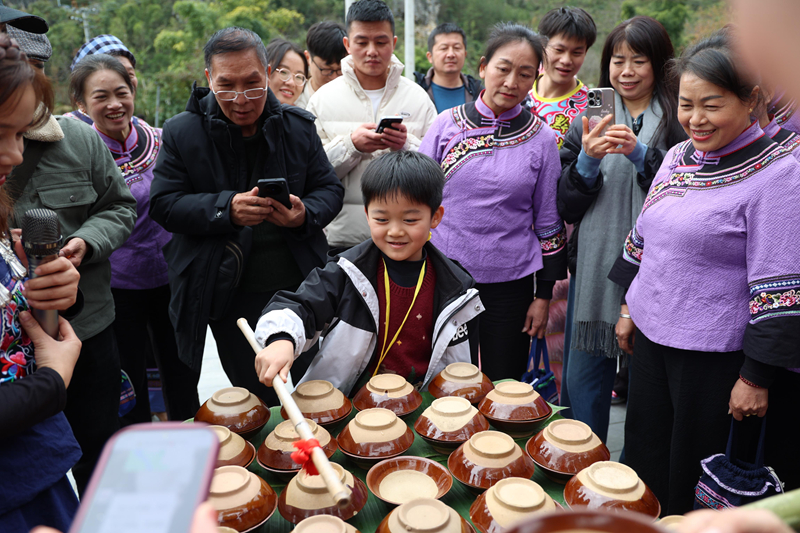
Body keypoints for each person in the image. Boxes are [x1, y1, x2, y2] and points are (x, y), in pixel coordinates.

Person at [608, 30, 800, 515]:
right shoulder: (677, 157)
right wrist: (629, 308)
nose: (694, 119)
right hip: (652, 342)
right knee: (646, 458)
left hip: (714, 359)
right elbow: (645, 237)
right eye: (687, 104)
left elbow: (781, 284)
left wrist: (755, 378)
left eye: (711, 106)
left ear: (750, 98)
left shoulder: (779, 173)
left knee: (693, 476)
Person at [149, 27, 344, 406]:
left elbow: (330, 190)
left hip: (299, 287)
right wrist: (226, 209)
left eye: (253, 84)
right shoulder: (182, 132)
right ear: (209, 79)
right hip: (229, 291)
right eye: (227, 86)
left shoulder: (296, 127)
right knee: (260, 395)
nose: (241, 99)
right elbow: (165, 204)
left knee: (314, 391)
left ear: (267, 73)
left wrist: (304, 215)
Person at [8, 28, 137, 496]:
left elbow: (120, 207)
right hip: (13, 349)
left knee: (97, 444)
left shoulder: (80, 140)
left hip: (86, 326)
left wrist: (86, 241)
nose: (13, 152)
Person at [253, 150, 482, 394]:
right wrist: (281, 339)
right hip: (349, 405)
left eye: (410, 220)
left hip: (425, 407)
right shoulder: (345, 273)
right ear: (367, 215)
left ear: (435, 217)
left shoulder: (458, 287)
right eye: (382, 219)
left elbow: (463, 362)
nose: (395, 231)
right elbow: (300, 306)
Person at [556, 16, 685, 443]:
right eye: (617, 60)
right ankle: (582, 469)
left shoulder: (679, 117)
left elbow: (683, 193)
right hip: (593, 267)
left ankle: (635, 480)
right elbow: (567, 205)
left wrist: (641, 154)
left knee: (648, 389)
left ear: (660, 65)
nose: (626, 71)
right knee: (583, 379)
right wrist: (588, 161)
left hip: (656, 269)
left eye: (638, 61)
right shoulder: (590, 114)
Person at [419, 23, 567, 381]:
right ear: (484, 67)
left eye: (525, 74)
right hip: (446, 277)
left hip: (511, 285)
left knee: (504, 384)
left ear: (535, 79)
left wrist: (543, 295)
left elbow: (549, 221)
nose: (511, 81)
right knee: (448, 382)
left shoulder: (543, 140)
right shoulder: (445, 125)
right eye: (503, 68)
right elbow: (418, 203)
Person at [69, 53, 201, 424]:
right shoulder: (79, 153)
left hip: (171, 276)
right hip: (117, 285)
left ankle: (194, 448)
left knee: (183, 372)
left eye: (121, 92)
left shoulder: (162, 141)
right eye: (100, 97)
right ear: (80, 103)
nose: (114, 104)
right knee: (128, 382)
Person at [0, 32, 84, 533]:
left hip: (34, 463)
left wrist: (43, 293)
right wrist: (51, 381)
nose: (13, 155)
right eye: (1, 132)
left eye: (20, 135)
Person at [306, 0, 438, 250]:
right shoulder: (322, 100)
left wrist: (406, 145)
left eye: (380, 42)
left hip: (404, 241)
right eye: (362, 42)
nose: (371, 51)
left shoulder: (418, 98)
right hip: (340, 240)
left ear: (394, 43)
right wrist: (351, 145)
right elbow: (308, 172)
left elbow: (438, 170)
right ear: (347, 44)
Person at [524, 7, 596, 149]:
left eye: (576, 52)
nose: (566, 60)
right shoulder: (520, 88)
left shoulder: (589, 108)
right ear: (542, 45)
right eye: (559, 50)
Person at [414, 23, 483, 114]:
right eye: (444, 48)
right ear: (430, 56)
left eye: (457, 48)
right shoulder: (416, 92)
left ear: (465, 54)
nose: (451, 54)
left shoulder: (480, 94)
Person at [295, 21, 347, 109]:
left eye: (340, 70)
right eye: (327, 70)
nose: (334, 77)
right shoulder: (296, 100)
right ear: (308, 58)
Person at [265, 38, 308, 107]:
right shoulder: (245, 111)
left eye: (299, 77)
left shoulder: (301, 116)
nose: (291, 83)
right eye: (283, 72)